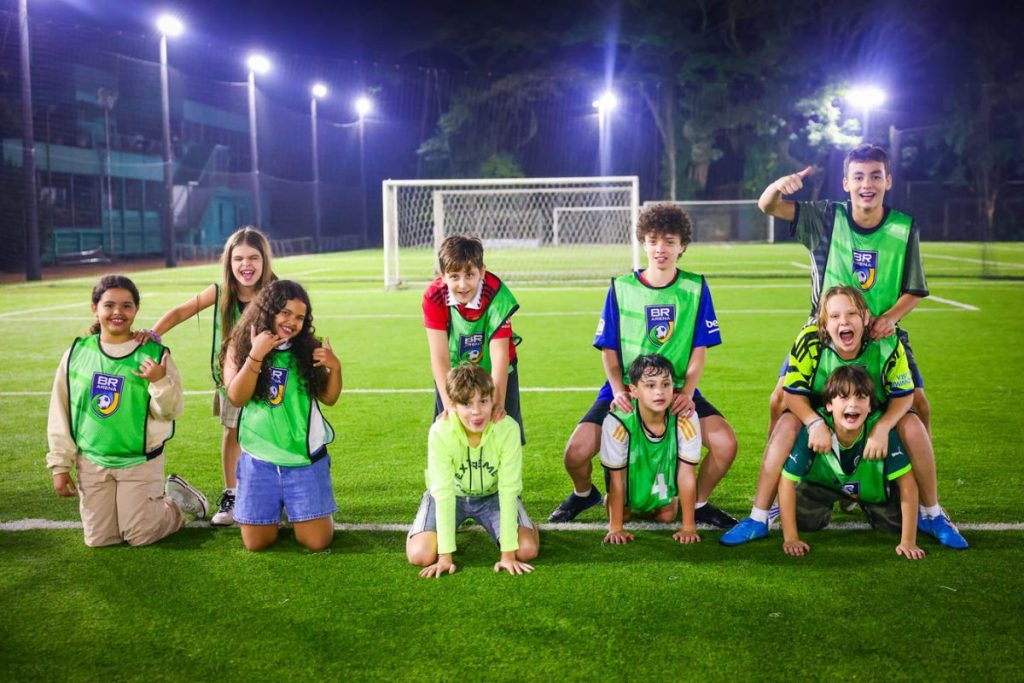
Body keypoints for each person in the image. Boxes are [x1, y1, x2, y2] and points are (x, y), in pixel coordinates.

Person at [721, 286, 967, 548]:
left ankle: (931, 513)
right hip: (823, 417)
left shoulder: (886, 341)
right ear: (824, 323)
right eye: (835, 316)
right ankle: (759, 516)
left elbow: (904, 396)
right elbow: (791, 394)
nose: (844, 321)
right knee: (787, 422)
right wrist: (814, 423)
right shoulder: (810, 339)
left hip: (870, 420)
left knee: (913, 424)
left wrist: (883, 428)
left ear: (865, 317)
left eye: (851, 313)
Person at [548, 203, 737, 529]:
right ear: (643, 243)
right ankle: (583, 494)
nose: (660, 248)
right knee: (575, 454)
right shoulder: (622, 288)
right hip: (627, 389)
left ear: (682, 246)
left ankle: (700, 502)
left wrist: (687, 392)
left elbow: (699, 347)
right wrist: (620, 390)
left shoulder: (695, 288)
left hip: (674, 389)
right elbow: (608, 348)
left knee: (725, 444)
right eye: (652, 240)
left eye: (668, 241)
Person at [758, 145, 931, 434]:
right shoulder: (824, 218)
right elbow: (768, 206)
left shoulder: (903, 227)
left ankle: (917, 472)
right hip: (825, 330)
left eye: (875, 176)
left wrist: (889, 318)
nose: (867, 184)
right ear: (846, 183)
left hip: (880, 332)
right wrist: (778, 187)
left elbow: (914, 288)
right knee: (778, 399)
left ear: (888, 181)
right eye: (859, 177)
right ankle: (777, 472)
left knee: (920, 404)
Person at [46, 275, 208, 547]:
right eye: (109, 305)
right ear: (94, 308)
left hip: (138, 462)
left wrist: (159, 380)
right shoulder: (76, 353)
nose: (117, 313)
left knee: (139, 535)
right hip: (93, 462)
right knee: (99, 540)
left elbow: (171, 411)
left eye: (126, 306)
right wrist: (59, 466)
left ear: (136, 310)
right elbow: (60, 412)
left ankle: (175, 505)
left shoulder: (154, 354)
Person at [139, 226, 275, 525]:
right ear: (229, 262)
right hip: (231, 380)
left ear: (265, 260)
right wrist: (152, 334)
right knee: (232, 433)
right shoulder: (220, 291)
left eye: (253, 257)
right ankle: (232, 494)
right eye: (238, 258)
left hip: (270, 379)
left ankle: (276, 493)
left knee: (271, 433)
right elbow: (180, 312)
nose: (246, 265)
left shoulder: (276, 292)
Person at [221, 280, 342, 552]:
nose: (292, 322)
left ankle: (296, 504)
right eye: (285, 312)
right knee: (257, 544)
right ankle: (283, 503)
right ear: (268, 310)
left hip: (303, 460)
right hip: (258, 461)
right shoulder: (238, 345)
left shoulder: (306, 350)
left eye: (300, 317)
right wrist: (256, 355)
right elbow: (236, 397)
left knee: (316, 542)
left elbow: (329, 398)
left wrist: (335, 368)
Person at [778, 365, 925, 560]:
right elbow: (786, 480)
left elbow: (907, 483)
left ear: (871, 406)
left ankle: (859, 500)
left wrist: (908, 541)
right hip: (823, 485)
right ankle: (841, 497)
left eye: (861, 397)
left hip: (871, 491)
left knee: (894, 525)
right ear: (829, 405)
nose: (853, 404)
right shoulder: (814, 429)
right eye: (844, 397)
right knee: (802, 520)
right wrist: (791, 538)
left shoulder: (881, 430)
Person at [407, 363, 539, 578]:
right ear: (452, 405)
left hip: (493, 496)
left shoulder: (507, 429)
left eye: (483, 401)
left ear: (492, 399)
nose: (477, 412)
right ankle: (418, 532)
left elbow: (508, 489)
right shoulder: (441, 431)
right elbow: (443, 492)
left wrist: (507, 556)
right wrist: (445, 557)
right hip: (452, 496)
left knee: (526, 550)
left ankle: (527, 524)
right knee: (420, 555)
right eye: (467, 404)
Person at [422, 234, 524, 441]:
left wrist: (497, 404)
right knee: (451, 432)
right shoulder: (433, 296)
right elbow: (439, 356)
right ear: (443, 275)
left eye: (469, 275)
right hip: (455, 372)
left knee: (502, 430)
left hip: (495, 369)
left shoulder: (498, 296)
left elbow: (499, 356)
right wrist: (449, 405)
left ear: (482, 272)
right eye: (454, 276)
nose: (462, 284)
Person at [601, 355, 702, 546]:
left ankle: (663, 500)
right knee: (622, 513)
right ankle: (622, 503)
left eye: (666, 384)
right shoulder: (617, 422)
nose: (659, 392)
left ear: (674, 387)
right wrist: (616, 527)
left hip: (660, 487)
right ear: (634, 390)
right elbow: (616, 477)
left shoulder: (685, 418)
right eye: (650, 385)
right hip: (629, 486)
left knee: (667, 516)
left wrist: (688, 527)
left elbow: (687, 473)